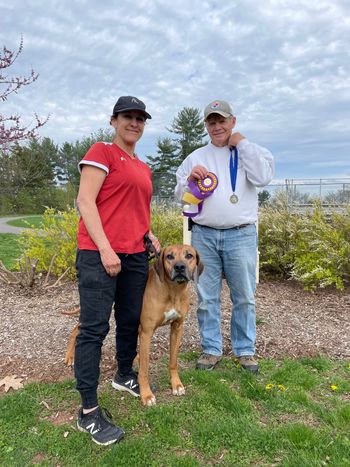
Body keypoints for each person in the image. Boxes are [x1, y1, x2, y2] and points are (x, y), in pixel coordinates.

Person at [74, 95, 160, 446]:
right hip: (99, 253)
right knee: (94, 328)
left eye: (140, 118)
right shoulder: (102, 152)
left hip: (136, 254)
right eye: (128, 116)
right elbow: (85, 201)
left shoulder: (142, 167)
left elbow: (135, 207)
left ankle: (124, 374)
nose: (134, 123)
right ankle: (88, 412)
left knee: (129, 320)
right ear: (114, 121)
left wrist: (147, 231)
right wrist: (107, 249)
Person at [175, 99, 274, 374]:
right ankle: (211, 348)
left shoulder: (250, 151)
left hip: (240, 234)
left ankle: (245, 350)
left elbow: (263, 177)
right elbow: (179, 196)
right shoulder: (195, 157)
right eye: (211, 121)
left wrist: (241, 143)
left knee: (244, 295)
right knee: (207, 297)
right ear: (206, 125)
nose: (217, 126)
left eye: (222, 120)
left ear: (233, 122)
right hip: (204, 235)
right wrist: (189, 183)